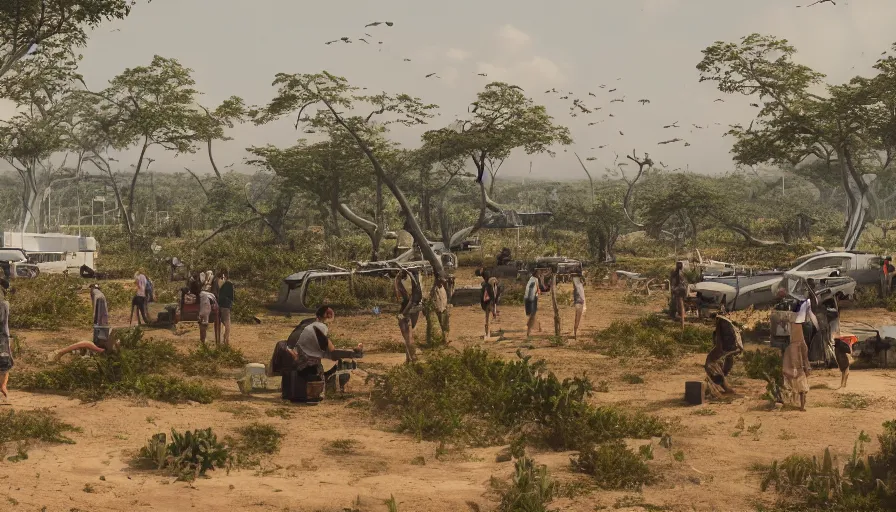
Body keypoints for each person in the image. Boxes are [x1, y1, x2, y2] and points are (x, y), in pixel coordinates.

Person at [49, 284, 117, 361]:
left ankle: (94, 288)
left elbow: (86, 344)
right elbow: (86, 344)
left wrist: (62, 352)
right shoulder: (102, 352)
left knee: (100, 304)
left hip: (105, 333)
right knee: (100, 303)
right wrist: (61, 352)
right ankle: (94, 288)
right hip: (104, 333)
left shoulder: (99, 351)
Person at [704, 315, 744, 395]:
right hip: (732, 346)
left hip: (727, 347)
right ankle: (723, 382)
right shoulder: (726, 321)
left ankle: (724, 386)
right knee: (716, 363)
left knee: (710, 363)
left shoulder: (721, 322)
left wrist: (720, 350)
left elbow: (719, 339)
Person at [783, 317, 811, 412]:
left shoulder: (794, 346)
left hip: (797, 371)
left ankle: (800, 406)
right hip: (796, 371)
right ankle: (800, 406)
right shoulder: (796, 346)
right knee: (800, 391)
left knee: (800, 391)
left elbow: (804, 358)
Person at [394, 269, 423, 362]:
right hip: (416, 308)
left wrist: (403, 314)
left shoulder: (403, 281)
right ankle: (409, 358)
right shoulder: (417, 277)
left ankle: (414, 359)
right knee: (408, 335)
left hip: (406, 309)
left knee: (408, 335)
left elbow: (401, 297)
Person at [525, 268, 551, 337]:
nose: (540, 274)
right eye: (539, 272)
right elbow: (531, 289)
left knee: (532, 314)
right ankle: (529, 330)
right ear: (536, 272)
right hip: (531, 298)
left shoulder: (534, 279)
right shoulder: (533, 280)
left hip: (530, 297)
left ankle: (538, 327)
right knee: (532, 315)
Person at [0, 279, 12, 405]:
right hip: (4, 338)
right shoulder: (4, 304)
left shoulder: (3, 304)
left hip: (2, 338)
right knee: (4, 364)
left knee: (4, 364)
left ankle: (3, 389)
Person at [216, 269, 234, 346]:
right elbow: (232, 296)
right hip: (225, 305)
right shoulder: (229, 284)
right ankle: (226, 341)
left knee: (220, 323)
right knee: (227, 324)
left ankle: (221, 339)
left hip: (218, 304)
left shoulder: (218, 283)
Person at [430, 277, 450, 344]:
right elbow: (432, 298)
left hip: (444, 307)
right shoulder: (435, 289)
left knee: (446, 324)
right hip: (440, 309)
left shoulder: (443, 288)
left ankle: (446, 338)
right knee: (442, 324)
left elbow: (445, 297)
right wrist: (436, 307)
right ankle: (444, 339)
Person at [669, 261, 688, 329]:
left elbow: (672, 283)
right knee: (681, 305)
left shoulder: (675, 273)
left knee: (680, 305)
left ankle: (682, 324)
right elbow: (686, 282)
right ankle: (682, 322)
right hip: (682, 290)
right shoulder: (683, 272)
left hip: (678, 291)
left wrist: (673, 290)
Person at [480, 271, 498, 339]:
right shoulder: (489, 286)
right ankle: (487, 333)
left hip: (486, 303)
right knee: (488, 318)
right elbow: (491, 296)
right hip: (488, 303)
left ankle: (487, 332)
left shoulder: (485, 285)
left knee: (487, 319)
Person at [572, 274, 586, 340]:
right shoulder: (578, 286)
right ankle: (576, 333)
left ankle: (576, 332)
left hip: (580, 302)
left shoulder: (579, 286)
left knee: (578, 317)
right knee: (578, 317)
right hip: (579, 302)